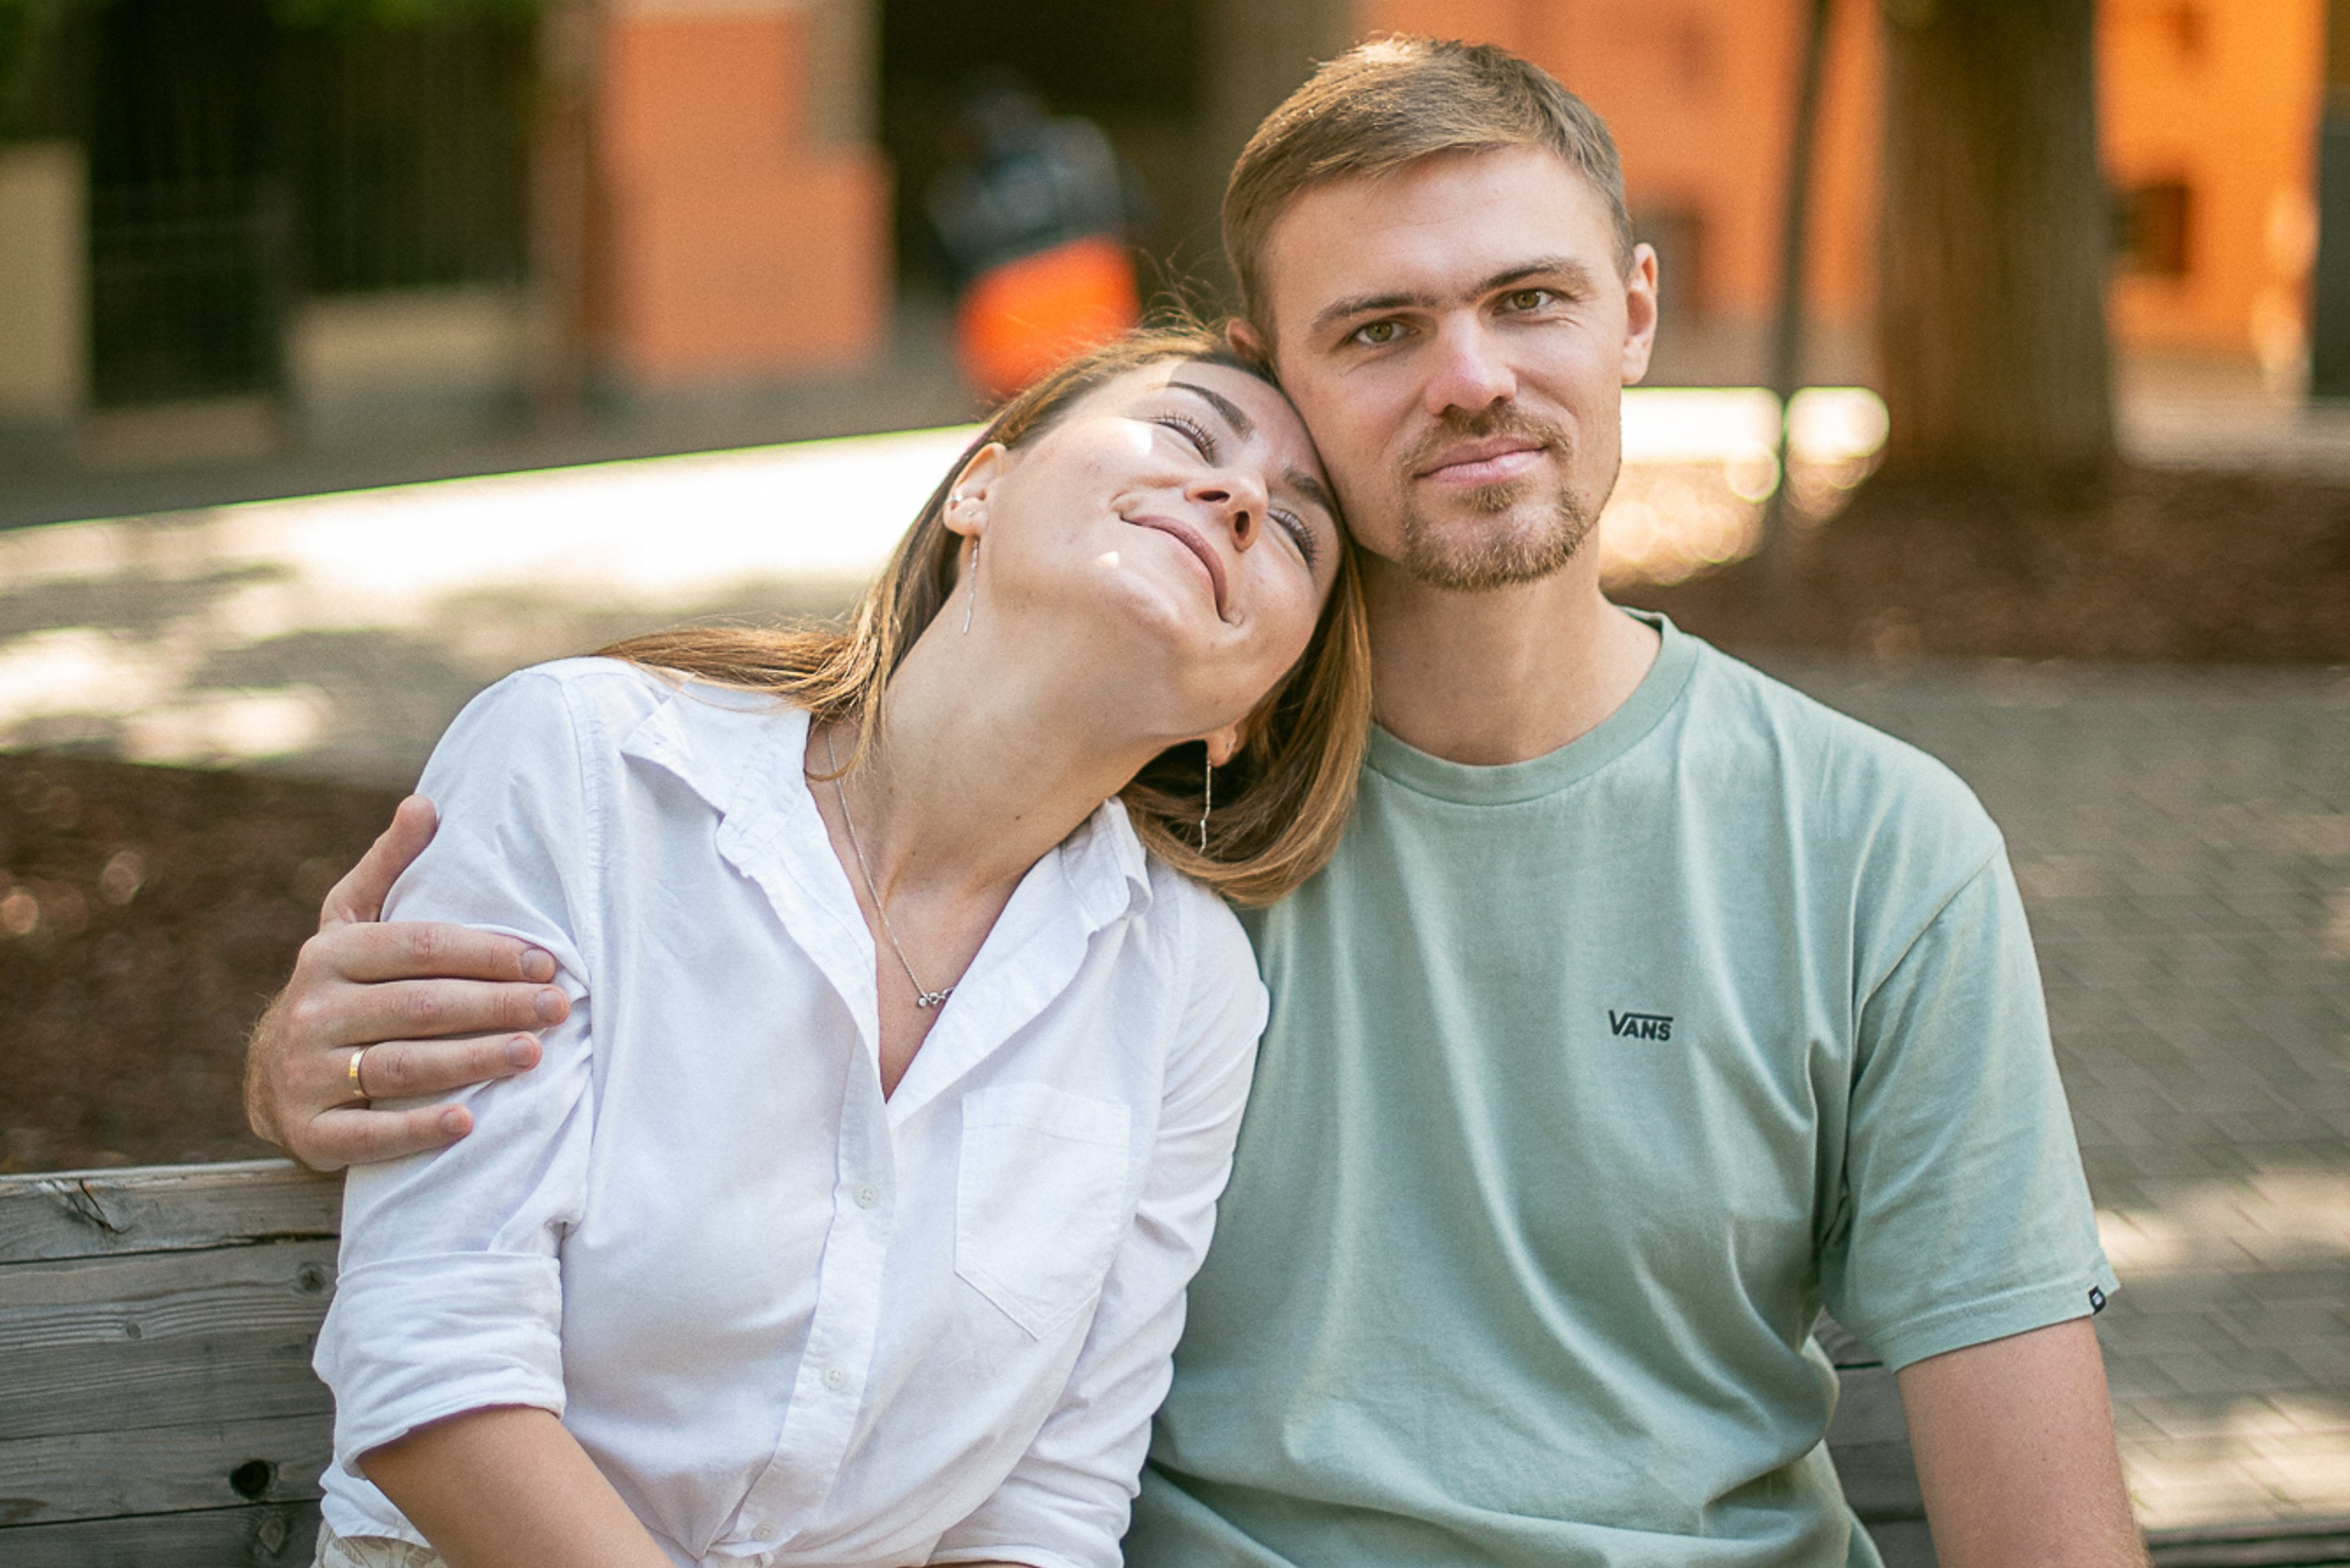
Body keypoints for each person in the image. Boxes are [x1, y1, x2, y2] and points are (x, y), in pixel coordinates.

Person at [247, 38, 2150, 1568]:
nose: (1472, 377)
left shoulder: (1872, 850)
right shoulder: (1165, 851)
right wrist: (303, 1065)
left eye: (1529, 300)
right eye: (1380, 329)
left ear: (1635, 313)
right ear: (1270, 375)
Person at [298, 322, 1369, 1568]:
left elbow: (1047, 1511)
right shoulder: (584, 765)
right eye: (1188, 434)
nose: (1238, 497)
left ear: (1246, 714)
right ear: (984, 482)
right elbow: (436, 1372)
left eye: (1296, 530)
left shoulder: (1187, 987)